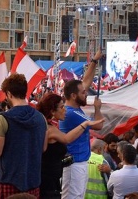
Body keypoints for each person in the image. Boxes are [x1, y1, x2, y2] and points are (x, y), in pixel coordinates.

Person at [0, 73, 47, 198]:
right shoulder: (41, 118)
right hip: (33, 182)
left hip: (8, 181)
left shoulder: (3, 118)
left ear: (9, 94)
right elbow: (43, 148)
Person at [36, 93, 103, 198]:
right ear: (52, 111)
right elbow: (67, 138)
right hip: (47, 181)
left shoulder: (49, 126)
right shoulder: (49, 129)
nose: (65, 110)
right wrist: (84, 124)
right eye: (62, 107)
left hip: (53, 179)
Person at [59, 50, 105, 198]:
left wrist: (94, 61)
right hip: (75, 163)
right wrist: (97, 108)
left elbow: (85, 82)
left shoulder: (73, 107)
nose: (86, 94)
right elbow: (99, 126)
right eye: (83, 93)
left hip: (78, 163)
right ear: (73, 96)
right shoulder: (71, 113)